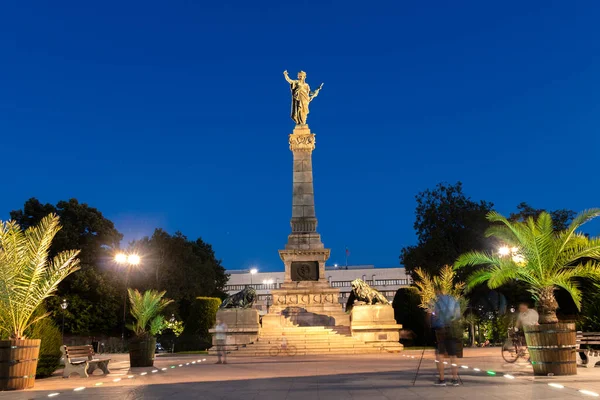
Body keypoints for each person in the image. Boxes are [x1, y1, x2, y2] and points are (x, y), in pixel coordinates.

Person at [431, 291, 461, 387]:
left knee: (440, 354)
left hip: (440, 330)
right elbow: (458, 315)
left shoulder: (434, 301)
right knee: (453, 355)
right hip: (451, 329)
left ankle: (442, 379)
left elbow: (431, 314)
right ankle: (455, 379)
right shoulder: (453, 300)